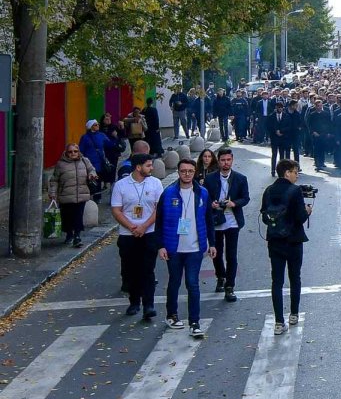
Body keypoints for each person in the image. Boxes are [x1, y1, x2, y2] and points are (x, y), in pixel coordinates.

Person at [153, 158, 216, 338]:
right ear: (178, 172)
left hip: (195, 248)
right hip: (173, 247)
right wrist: (160, 246)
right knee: (174, 281)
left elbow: (209, 220)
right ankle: (171, 315)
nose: (187, 174)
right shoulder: (168, 193)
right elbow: (159, 221)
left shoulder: (203, 193)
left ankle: (195, 322)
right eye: (183, 171)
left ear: (195, 172)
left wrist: (212, 243)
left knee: (192, 283)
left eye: (190, 171)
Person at [111, 153, 164, 320]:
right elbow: (116, 210)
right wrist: (131, 226)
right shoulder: (121, 185)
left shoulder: (155, 183)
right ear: (138, 167)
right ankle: (134, 302)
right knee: (131, 270)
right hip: (128, 234)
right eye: (148, 165)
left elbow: (159, 208)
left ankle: (149, 305)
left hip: (149, 233)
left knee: (148, 270)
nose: (152, 168)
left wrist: (144, 226)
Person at [260, 159, 311, 335]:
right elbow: (300, 217)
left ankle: (278, 322)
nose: (297, 175)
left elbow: (265, 216)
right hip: (294, 241)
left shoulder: (268, 190)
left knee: (277, 281)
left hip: (275, 241)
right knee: (295, 277)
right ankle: (294, 314)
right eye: (295, 172)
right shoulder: (295, 191)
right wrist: (307, 211)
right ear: (287, 173)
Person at [202, 147, 249, 302]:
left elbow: (245, 198)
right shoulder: (210, 178)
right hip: (216, 220)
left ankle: (230, 286)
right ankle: (220, 276)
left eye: (228, 160)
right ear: (218, 161)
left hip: (233, 221)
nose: (226, 163)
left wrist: (233, 203)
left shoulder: (240, 178)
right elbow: (204, 198)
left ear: (232, 160)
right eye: (223, 160)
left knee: (231, 255)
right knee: (216, 252)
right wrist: (212, 204)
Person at [48, 143, 98, 248]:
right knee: (67, 217)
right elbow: (54, 180)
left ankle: (77, 236)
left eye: (75, 151)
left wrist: (92, 175)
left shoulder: (84, 161)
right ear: (66, 153)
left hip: (81, 194)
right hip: (66, 196)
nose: (73, 153)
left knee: (78, 216)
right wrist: (52, 193)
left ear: (79, 152)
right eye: (70, 152)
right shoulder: (61, 164)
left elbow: (91, 169)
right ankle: (69, 234)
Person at [79, 119, 115, 185]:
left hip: (100, 163)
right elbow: (81, 151)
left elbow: (110, 144)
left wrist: (115, 139)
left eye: (98, 124)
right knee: (92, 184)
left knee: (98, 182)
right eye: (95, 125)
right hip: (90, 164)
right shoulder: (85, 137)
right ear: (90, 127)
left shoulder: (102, 135)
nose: (98, 125)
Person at [304, 97, 333, 170]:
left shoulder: (326, 114)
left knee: (322, 148)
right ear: (315, 106)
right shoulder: (312, 114)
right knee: (316, 149)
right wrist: (313, 132)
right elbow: (309, 124)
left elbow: (329, 124)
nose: (319, 107)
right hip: (315, 134)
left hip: (324, 134)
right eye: (318, 106)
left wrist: (328, 132)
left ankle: (322, 162)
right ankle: (317, 163)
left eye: (320, 105)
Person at [268, 100, 291, 172]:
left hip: (283, 137)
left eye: (281, 107)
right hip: (274, 138)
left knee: (282, 154)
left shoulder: (286, 116)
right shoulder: (271, 116)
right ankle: (273, 170)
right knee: (274, 154)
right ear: (276, 107)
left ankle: (281, 170)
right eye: (278, 107)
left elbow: (289, 126)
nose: (280, 108)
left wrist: (281, 131)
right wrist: (275, 131)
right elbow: (268, 126)